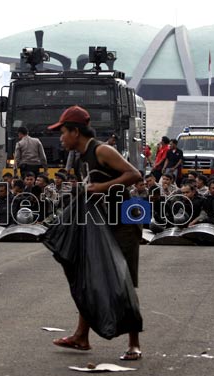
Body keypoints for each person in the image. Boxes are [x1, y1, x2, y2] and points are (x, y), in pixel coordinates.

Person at [48, 105, 143, 361]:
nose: (60, 137)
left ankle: (134, 343)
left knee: (124, 283)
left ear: (75, 132)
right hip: (99, 223)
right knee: (88, 278)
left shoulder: (102, 150)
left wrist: (101, 186)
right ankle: (81, 336)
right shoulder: (80, 158)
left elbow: (134, 174)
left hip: (123, 222)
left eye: (63, 132)